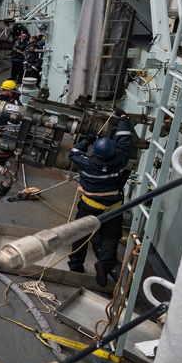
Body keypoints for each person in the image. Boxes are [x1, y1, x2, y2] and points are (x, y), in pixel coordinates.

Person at [67, 114, 132, 287]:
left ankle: (75, 267)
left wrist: (86, 139)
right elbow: (125, 140)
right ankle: (104, 265)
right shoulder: (120, 160)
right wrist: (124, 119)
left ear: (94, 152)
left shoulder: (86, 163)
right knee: (111, 237)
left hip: (89, 205)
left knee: (80, 235)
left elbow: (73, 153)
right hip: (113, 208)